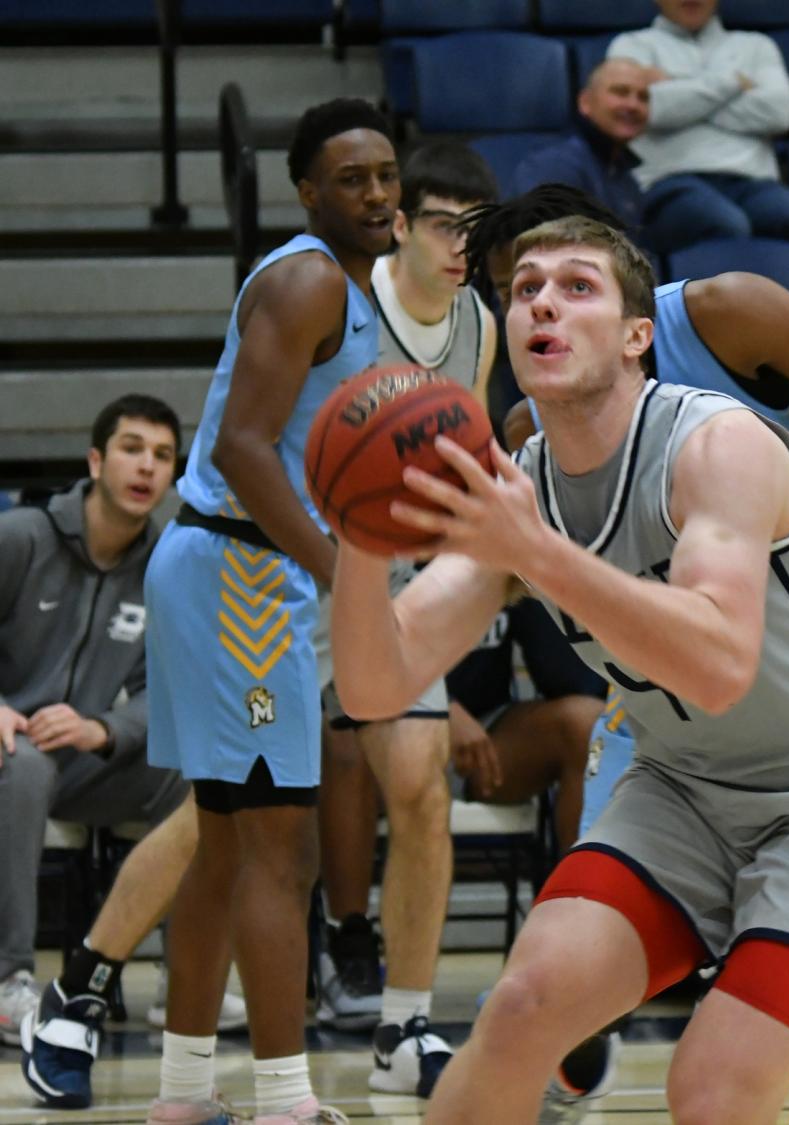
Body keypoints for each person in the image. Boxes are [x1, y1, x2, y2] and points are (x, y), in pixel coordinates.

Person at [329, 215, 789, 1124]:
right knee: (522, 1006)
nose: (543, 298)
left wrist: (535, 552)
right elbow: (374, 685)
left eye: (578, 284)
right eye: (525, 287)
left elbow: (717, 666)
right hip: (683, 792)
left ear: (637, 337)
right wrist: (357, 530)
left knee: (708, 1092)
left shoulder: (721, 444)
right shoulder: (520, 485)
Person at [142, 97, 397, 1125]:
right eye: (351, 178)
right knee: (277, 847)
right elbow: (247, 447)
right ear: (306, 191)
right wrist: (345, 573)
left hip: (240, 568)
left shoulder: (354, 288)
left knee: (224, 841)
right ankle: (287, 1104)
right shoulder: (303, 279)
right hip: (242, 575)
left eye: (386, 173)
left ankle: (182, 1098)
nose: (375, 193)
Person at [309, 138, 497, 1099]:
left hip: (393, 581)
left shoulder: (479, 325)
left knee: (422, 788)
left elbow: (463, 469)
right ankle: (90, 975)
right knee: (223, 812)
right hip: (289, 570)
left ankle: (404, 1024)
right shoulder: (338, 301)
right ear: (402, 223)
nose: (461, 245)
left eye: (476, 228)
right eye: (443, 224)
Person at [2, 396, 240, 1112]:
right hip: (12, 749)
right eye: (132, 449)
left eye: (163, 456)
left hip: (94, 754)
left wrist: (106, 728)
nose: (147, 466)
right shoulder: (21, 537)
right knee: (25, 761)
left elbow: (174, 688)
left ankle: (183, 976)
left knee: (202, 778)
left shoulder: (171, 564)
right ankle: (12, 977)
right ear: (97, 461)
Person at [606, 0, 789, 255]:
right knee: (723, 222)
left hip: (752, 184)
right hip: (669, 183)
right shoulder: (631, 46)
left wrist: (678, 86)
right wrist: (734, 83)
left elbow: (779, 114)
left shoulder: (756, 46)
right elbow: (653, 108)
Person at [444, 599, 605, 850]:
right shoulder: (391, 565)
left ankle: (579, 883)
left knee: (587, 724)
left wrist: (534, 583)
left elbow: (566, 679)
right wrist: (442, 706)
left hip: (487, 731)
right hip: (394, 723)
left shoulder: (497, 566)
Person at [512, 59, 650, 245]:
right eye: (620, 92)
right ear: (585, 102)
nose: (633, 105)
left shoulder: (626, 178)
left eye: (643, 97)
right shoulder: (556, 164)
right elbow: (545, 248)